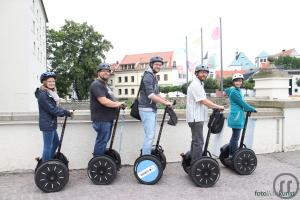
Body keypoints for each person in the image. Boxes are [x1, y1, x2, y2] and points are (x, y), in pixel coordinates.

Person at [186, 65, 224, 165]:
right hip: (196, 118)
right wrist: (217, 106)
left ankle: (192, 162)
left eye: (206, 72)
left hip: (196, 117)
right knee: (199, 142)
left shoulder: (199, 84)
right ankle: (196, 164)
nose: (204, 74)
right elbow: (203, 100)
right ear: (196, 73)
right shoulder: (195, 85)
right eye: (202, 72)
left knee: (196, 141)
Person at [35, 72, 73, 161]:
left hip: (51, 123)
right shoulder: (43, 95)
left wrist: (66, 111)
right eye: (49, 81)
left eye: (53, 81)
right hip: (47, 124)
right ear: (44, 82)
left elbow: (55, 107)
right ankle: (45, 164)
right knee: (47, 146)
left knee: (56, 143)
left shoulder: (50, 93)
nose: (52, 83)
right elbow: (52, 110)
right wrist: (66, 112)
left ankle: (48, 160)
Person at [90, 63, 126, 157]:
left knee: (103, 141)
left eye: (108, 71)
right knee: (101, 141)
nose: (106, 72)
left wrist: (118, 104)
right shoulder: (97, 84)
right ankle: (97, 163)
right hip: (101, 120)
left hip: (107, 119)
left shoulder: (105, 85)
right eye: (103, 71)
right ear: (98, 73)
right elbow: (104, 101)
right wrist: (118, 104)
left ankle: (100, 161)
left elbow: (110, 100)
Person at [138, 56, 172, 155]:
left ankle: (147, 156)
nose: (158, 66)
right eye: (156, 64)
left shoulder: (153, 76)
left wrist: (164, 99)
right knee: (149, 136)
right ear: (151, 64)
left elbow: (156, 93)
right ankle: (145, 159)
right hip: (146, 109)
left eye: (160, 65)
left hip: (151, 109)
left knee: (150, 136)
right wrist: (165, 103)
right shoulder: (148, 76)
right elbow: (150, 95)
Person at [224, 73, 256, 163]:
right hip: (236, 117)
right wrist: (252, 109)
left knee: (234, 137)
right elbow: (242, 103)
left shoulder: (235, 90)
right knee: (235, 138)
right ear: (234, 82)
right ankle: (232, 156)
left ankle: (231, 155)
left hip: (236, 116)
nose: (239, 82)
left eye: (240, 81)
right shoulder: (234, 92)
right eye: (237, 81)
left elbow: (241, 103)